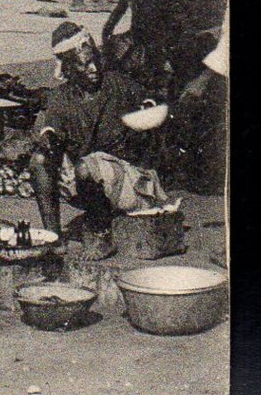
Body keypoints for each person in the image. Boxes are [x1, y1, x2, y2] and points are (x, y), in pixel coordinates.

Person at [29, 23, 172, 258]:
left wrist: (147, 110)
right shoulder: (60, 98)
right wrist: (50, 142)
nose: (93, 68)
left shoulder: (117, 84)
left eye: (94, 60)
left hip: (128, 182)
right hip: (86, 181)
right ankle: (53, 238)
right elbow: (49, 129)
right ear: (68, 69)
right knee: (39, 161)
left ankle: (102, 233)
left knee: (87, 167)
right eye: (83, 64)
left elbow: (152, 100)